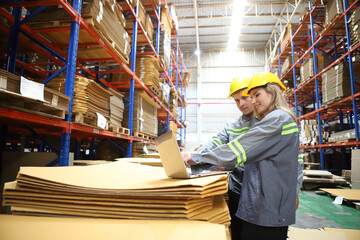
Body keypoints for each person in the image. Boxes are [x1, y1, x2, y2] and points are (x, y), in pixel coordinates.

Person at [182, 72, 301, 240]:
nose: (250, 102)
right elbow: (219, 142)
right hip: (253, 197)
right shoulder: (273, 119)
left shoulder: (277, 119)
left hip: (267, 204)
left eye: (255, 95)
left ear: (273, 92)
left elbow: (237, 151)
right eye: (239, 99)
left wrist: (198, 159)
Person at [195, 76, 257, 239]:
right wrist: (194, 157)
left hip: (260, 193)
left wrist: (294, 191)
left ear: (254, 95)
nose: (241, 104)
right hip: (237, 189)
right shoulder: (232, 126)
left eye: (244, 98)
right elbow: (215, 142)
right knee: (235, 231)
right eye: (237, 100)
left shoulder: (266, 123)